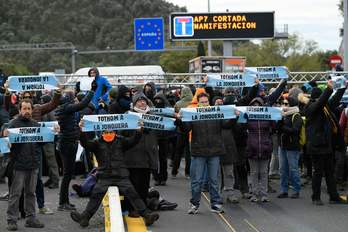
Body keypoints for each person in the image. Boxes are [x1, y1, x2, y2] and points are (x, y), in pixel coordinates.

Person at [70, 125, 159, 227]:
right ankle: (85, 217)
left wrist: (138, 131)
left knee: (133, 194)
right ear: (102, 133)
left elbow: (133, 141)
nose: (109, 133)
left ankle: (147, 215)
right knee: (95, 196)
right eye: (106, 132)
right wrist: (81, 131)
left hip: (121, 176)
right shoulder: (97, 143)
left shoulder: (121, 141)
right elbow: (85, 143)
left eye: (111, 131)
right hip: (104, 177)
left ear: (115, 132)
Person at [177, 92, 233, 214]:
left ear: (209, 102)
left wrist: (235, 117)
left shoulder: (216, 113)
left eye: (206, 102)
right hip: (199, 152)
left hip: (214, 151)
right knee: (197, 181)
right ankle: (194, 204)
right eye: (202, 102)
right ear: (198, 103)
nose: (204, 104)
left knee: (214, 180)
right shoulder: (193, 114)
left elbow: (227, 125)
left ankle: (216, 204)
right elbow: (185, 129)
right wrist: (180, 120)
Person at [304, 80, 346, 205]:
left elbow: (335, 100)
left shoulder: (325, 108)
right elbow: (322, 102)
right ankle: (315, 197)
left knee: (329, 172)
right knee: (318, 172)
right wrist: (328, 89)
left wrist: (342, 87)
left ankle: (334, 196)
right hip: (316, 146)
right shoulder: (311, 107)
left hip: (326, 145)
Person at [55, 81, 96, 211]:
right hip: (67, 144)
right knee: (67, 175)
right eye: (72, 97)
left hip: (67, 143)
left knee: (68, 174)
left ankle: (65, 201)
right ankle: (62, 203)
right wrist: (92, 91)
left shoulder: (64, 108)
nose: (74, 99)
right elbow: (83, 104)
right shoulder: (67, 108)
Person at [5, 99, 45, 231]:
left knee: (31, 193)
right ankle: (12, 220)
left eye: (29, 109)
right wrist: (4, 135)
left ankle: (31, 219)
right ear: (20, 110)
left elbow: (42, 143)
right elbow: (4, 140)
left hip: (33, 165)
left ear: (32, 110)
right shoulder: (13, 124)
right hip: (18, 165)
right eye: (24, 109)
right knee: (15, 194)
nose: (27, 111)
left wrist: (54, 132)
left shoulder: (36, 125)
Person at [246, 97, 275, 203]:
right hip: (252, 148)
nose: (256, 107)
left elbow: (274, 127)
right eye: (254, 106)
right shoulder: (247, 116)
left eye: (258, 106)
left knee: (263, 172)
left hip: (265, 148)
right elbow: (240, 127)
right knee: (254, 172)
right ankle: (254, 194)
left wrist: (275, 117)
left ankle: (264, 194)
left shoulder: (267, 117)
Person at [278, 97, 303, 199]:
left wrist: (282, 127)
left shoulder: (296, 115)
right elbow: (277, 129)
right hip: (283, 145)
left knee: (293, 169)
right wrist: (279, 123)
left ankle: (296, 190)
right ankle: (284, 190)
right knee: (283, 169)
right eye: (283, 103)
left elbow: (295, 130)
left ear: (291, 105)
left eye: (286, 103)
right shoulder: (283, 115)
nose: (284, 105)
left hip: (293, 146)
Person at [172, 87, 193, 178]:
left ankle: (174, 171)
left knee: (178, 152)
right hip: (191, 129)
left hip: (180, 129)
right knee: (188, 152)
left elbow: (175, 115)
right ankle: (187, 172)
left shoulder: (178, 103)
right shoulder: (193, 103)